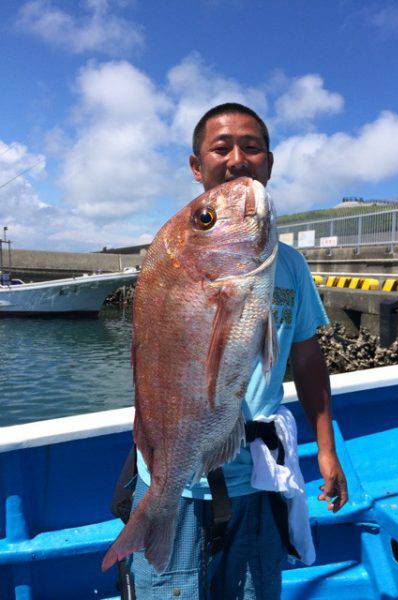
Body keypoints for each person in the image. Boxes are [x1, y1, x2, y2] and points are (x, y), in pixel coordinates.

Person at [127, 103, 348, 599]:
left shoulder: (290, 266)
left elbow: (308, 359)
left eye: (251, 147)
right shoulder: (172, 261)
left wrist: (327, 450)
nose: (237, 159)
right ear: (196, 165)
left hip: (258, 479)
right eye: (221, 147)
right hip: (175, 483)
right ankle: (154, 512)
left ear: (268, 163)